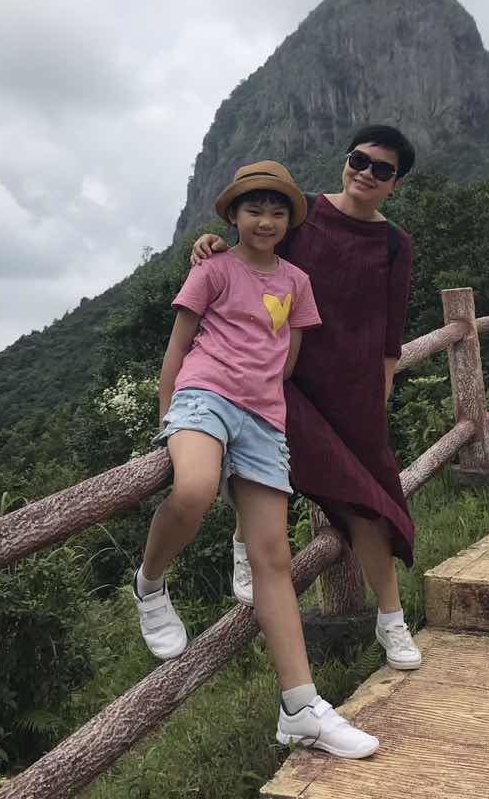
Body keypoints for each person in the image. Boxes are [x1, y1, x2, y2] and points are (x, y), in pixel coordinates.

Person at [135, 160, 380, 758]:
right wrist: (167, 418)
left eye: (276, 211)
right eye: (254, 209)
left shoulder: (297, 282)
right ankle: (149, 583)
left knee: (275, 558)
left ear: (290, 219)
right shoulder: (212, 269)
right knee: (194, 489)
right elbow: (177, 347)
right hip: (204, 395)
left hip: (264, 416)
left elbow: (287, 360)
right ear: (233, 215)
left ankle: (300, 708)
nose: (265, 220)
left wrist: (261, 388)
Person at [192, 125, 422, 672]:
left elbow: (391, 330)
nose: (366, 173)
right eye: (359, 160)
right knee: (263, 467)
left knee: (369, 503)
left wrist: (381, 389)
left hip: (353, 393)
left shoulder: (395, 244)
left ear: (395, 184)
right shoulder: (304, 215)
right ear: (346, 160)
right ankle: (245, 543)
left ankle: (391, 621)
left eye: (382, 169)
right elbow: (254, 254)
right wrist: (211, 245)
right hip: (284, 381)